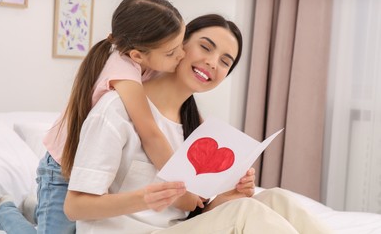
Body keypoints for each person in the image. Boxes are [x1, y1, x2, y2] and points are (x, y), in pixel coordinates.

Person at [64, 14, 334, 233]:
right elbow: (75, 207)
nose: (212, 62)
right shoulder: (117, 109)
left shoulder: (199, 129)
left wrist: (230, 195)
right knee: (245, 213)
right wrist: (145, 198)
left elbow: (195, 212)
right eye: (206, 47)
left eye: (225, 61)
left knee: (277, 198)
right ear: (179, 45)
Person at [0, 0, 186, 234]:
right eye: (171, 53)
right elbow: (151, 134)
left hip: (88, 173)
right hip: (63, 171)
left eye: (182, 45)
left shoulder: (141, 62)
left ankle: (37, 209)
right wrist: (185, 183)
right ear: (137, 54)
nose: (182, 55)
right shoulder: (124, 75)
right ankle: (4, 211)